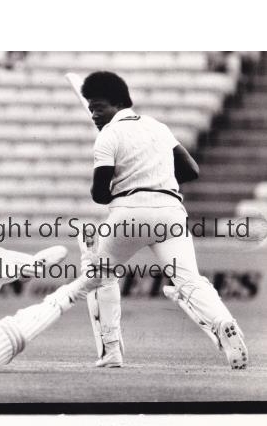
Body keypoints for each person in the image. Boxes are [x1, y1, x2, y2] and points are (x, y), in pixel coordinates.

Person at [78, 71, 248, 370]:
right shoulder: (158, 127)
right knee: (189, 280)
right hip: (171, 212)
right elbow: (191, 170)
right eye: (90, 108)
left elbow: (100, 195)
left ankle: (111, 351)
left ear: (118, 103)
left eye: (98, 107)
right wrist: (156, 179)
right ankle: (223, 322)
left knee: (99, 274)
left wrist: (127, 182)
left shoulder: (108, 135)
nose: (93, 114)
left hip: (129, 212)